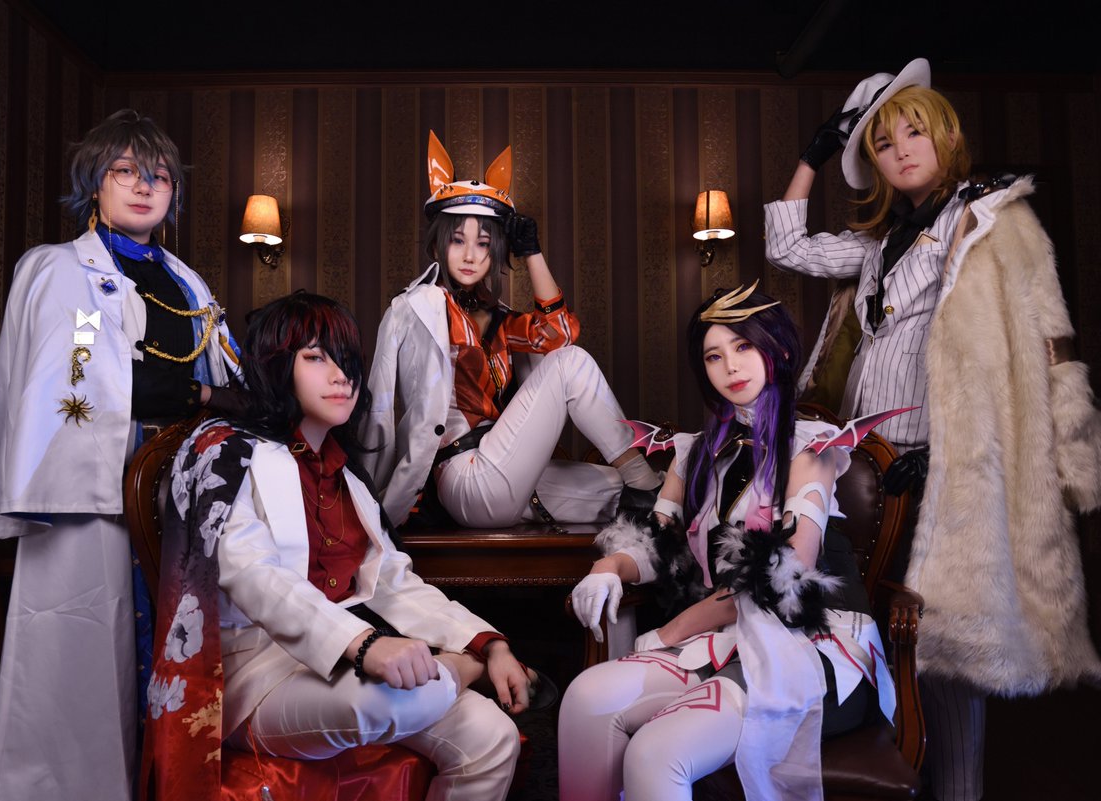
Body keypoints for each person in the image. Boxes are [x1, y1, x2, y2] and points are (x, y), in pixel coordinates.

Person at [763, 58, 1101, 801]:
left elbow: (1046, 337)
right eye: (884, 144)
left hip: (947, 463)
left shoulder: (989, 222)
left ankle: (960, 790)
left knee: (947, 641)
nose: (902, 150)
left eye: (915, 133)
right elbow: (787, 247)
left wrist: (1066, 453)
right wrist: (814, 155)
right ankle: (886, 775)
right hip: (863, 463)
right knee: (860, 626)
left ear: (947, 137)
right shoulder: (878, 243)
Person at [142, 291, 537, 801]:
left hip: (341, 661)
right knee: (396, 700)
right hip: (254, 673)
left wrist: (488, 643)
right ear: (276, 366)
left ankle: (458, 670)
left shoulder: (346, 475)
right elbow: (254, 575)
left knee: (493, 737)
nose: (340, 376)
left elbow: (393, 582)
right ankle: (461, 673)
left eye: (347, 360)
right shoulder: (224, 452)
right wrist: (369, 646)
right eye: (315, 358)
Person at [0, 109, 242, 801]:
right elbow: (86, 381)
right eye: (126, 171)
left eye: (159, 175)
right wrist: (197, 391)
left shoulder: (187, 282)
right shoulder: (65, 271)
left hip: (176, 492)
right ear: (94, 182)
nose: (144, 186)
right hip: (93, 487)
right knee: (81, 656)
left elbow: (231, 379)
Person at [558, 284, 894, 801]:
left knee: (656, 752)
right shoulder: (693, 453)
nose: (730, 366)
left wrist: (674, 629)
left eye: (744, 346)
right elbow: (657, 542)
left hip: (811, 646)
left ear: (778, 351)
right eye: (714, 356)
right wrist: (609, 568)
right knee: (585, 698)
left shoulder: (812, 448)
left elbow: (783, 575)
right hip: (727, 639)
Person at [363, 130, 660, 530]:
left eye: (484, 244)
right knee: (571, 366)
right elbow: (378, 406)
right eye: (457, 241)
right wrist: (367, 498)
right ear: (437, 247)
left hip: (504, 466)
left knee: (645, 498)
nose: (471, 255)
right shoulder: (413, 307)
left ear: (496, 253)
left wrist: (532, 253)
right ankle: (642, 480)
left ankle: (650, 492)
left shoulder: (502, 320)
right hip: (463, 477)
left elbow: (559, 333)